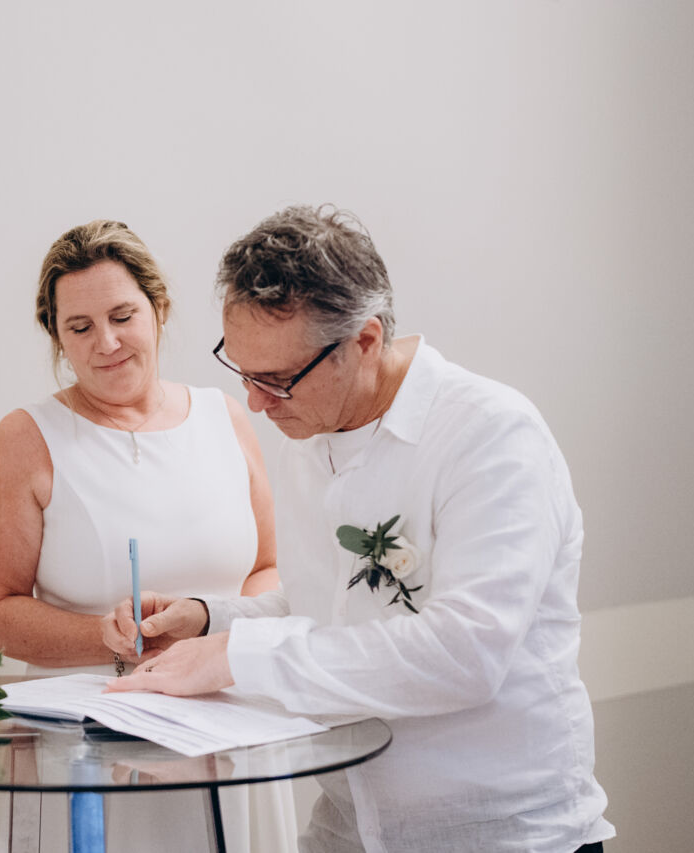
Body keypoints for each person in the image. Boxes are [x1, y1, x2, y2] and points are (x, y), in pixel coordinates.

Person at [104, 205, 616, 853]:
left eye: (277, 379)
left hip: (503, 834)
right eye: (243, 371)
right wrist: (210, 619)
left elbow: (464, 654)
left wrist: (236, 658)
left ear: (365, 341)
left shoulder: (491, 435)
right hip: (347, 825)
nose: (255, 403)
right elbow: (330, 606)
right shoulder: (306, 440)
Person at [0, 219, 297, 852]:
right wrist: (104, 635)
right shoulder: (27, 437)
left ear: (159, 309)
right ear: (57, 337)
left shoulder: (226, 417)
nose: (107, 343)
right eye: (80, 327)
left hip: (229, 718)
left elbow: (267, 568)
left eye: (123, 316)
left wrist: (218, 633)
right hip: (89, 740)